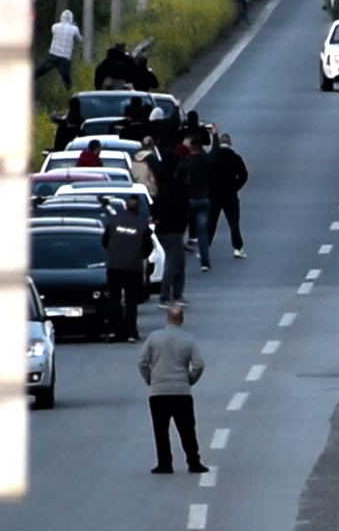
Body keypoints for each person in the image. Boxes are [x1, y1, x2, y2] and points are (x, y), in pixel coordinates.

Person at [138, 305, 209, 475]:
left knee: (160, 430)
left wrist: (150, 378)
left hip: (158, 392)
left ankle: (164, 463)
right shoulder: (188, 339)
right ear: (182, 320)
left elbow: (142, 362)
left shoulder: (154, 338)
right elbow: (199, 364)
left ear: (167, 319)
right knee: (187, 429)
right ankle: (193, 461)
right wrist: (189, 379)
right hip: (181, 391)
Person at [103, 197, 154, 344]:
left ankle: (112, 330)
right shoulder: (142, 224)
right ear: (138, 208)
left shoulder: (113, 221)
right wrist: (139, 256)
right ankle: (131, 332)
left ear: (125, 206)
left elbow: (105, 241)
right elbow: (147, 247)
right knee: (131, 300)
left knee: (114, 299)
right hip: (133, 267)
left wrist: (114, 253)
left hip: (114, 266)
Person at [178, 135, 217, 272]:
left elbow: (178, 178)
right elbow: (215, 153)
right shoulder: (207, 160)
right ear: (201, 148)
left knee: (180, 231)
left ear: (191, 148)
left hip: (188, 199)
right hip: (204, 198)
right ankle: (204, 262)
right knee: (202, 233)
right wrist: (215, 136)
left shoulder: (186, 162)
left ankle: (177, 261)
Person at [153, 166, 190, 306]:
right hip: (173, 231)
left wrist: (157, 218)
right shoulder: (182, 192)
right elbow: (183, 212)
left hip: (163, 230)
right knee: (173, 262)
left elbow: (155, 208)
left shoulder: (166, 190)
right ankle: (167, 295)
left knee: (178, 262)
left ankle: (176, 293)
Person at [208, 133, 248, 259]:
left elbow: (205, 174)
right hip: (230, 194)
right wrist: (235, 187)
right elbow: (243, 175)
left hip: (214, 194)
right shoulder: (235, 158)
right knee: (233, 222)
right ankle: (238, 248)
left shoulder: (212, 157)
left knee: (211, 222)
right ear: (230, 144)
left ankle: (205, 247)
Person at [35, 9, 82, 88]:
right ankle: (68, 92)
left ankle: (30, 80)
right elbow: (80, 40)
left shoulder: (55, 26)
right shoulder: (74, 29)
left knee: (40, 71)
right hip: (65, 57)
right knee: (66, 79)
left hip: (53, 54)